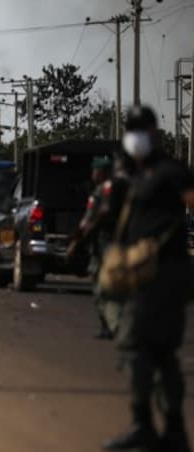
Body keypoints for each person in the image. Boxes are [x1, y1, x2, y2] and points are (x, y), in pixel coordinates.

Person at [104, 106, 194, 451]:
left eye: (140, 129)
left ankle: (143, 424)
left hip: (163, 273)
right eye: (131, 129)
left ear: (154, 132)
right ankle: (174, 430)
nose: (134, 135)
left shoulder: (170, 171)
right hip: (146, 274)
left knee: (135, 345)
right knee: (163, 352)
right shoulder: (135, 174)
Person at [67, 156, 128, 340]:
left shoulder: (107, 190)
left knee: (105, 288)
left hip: (107, 245)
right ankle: (109, 327)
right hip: (102, 246)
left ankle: (114, 327)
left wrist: (78, 240)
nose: (94, 174)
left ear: (103, 172)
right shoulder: (105, 190)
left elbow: (95, 217)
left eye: (96, 170)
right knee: (102, 287)